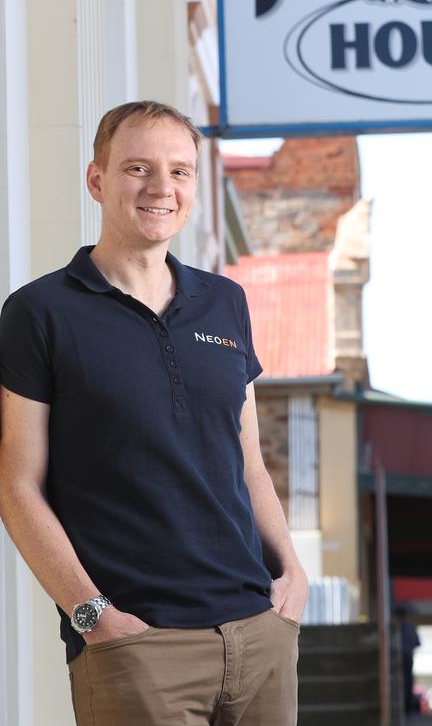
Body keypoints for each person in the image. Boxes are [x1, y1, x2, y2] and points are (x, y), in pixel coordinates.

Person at [0, 100, 309, 726]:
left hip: (257, 632)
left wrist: (292, 573)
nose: (161, 188)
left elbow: (247, 461)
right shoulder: (40, 313)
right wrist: (93, 616)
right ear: (98, 181)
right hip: (138, 645)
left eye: (180, 171)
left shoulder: (225, 302)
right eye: (138, 168)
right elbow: (17, 485)